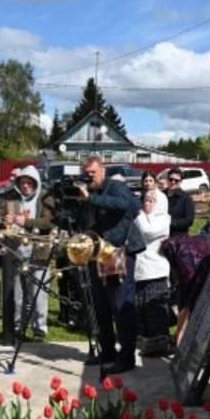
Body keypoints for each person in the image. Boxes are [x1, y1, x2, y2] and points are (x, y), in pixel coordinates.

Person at [78, 155, 144, 375]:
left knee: (120, 306)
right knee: (101, 307)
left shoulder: (115, 187)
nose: (89, 177)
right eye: (85, 173)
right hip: (96, 252)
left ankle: (127, 357)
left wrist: (91, 200)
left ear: (102, 170)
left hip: (118, 252)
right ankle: (107, 351)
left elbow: (125, 204)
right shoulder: (89, 193)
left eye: (92, 173)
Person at [3, 166, 54, 340]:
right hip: (19, 251)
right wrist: (7, 221)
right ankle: (19, 327)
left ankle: (39, 328)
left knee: (39, 293)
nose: (25, 186)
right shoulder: (13, 200)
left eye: (29, 183)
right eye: (22, 182)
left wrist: (27, 221)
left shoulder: (45, 197)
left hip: (39, 251)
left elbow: (49, 222)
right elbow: (5, 222)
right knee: (19, 295)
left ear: (35, 183)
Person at [133, 185, 172, 358]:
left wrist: (139, 214)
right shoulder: (142, 217)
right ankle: (144, 342)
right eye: (146, 200)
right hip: (141, 269)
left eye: (151, 201)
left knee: (155, 309)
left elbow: (148, 231)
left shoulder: (163, 219)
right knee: (141, 307)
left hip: (156, 270)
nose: (147, 204)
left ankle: (159, 344)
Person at [165, 167, 194, 237]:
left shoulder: (186, 198)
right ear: (167, 180)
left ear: (181, 182)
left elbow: (189, 220)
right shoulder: (161, 195)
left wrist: (171, 223)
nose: (173, 182)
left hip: (178, 237)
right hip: (160, 235)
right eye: (170, 179)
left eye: (176, 180)